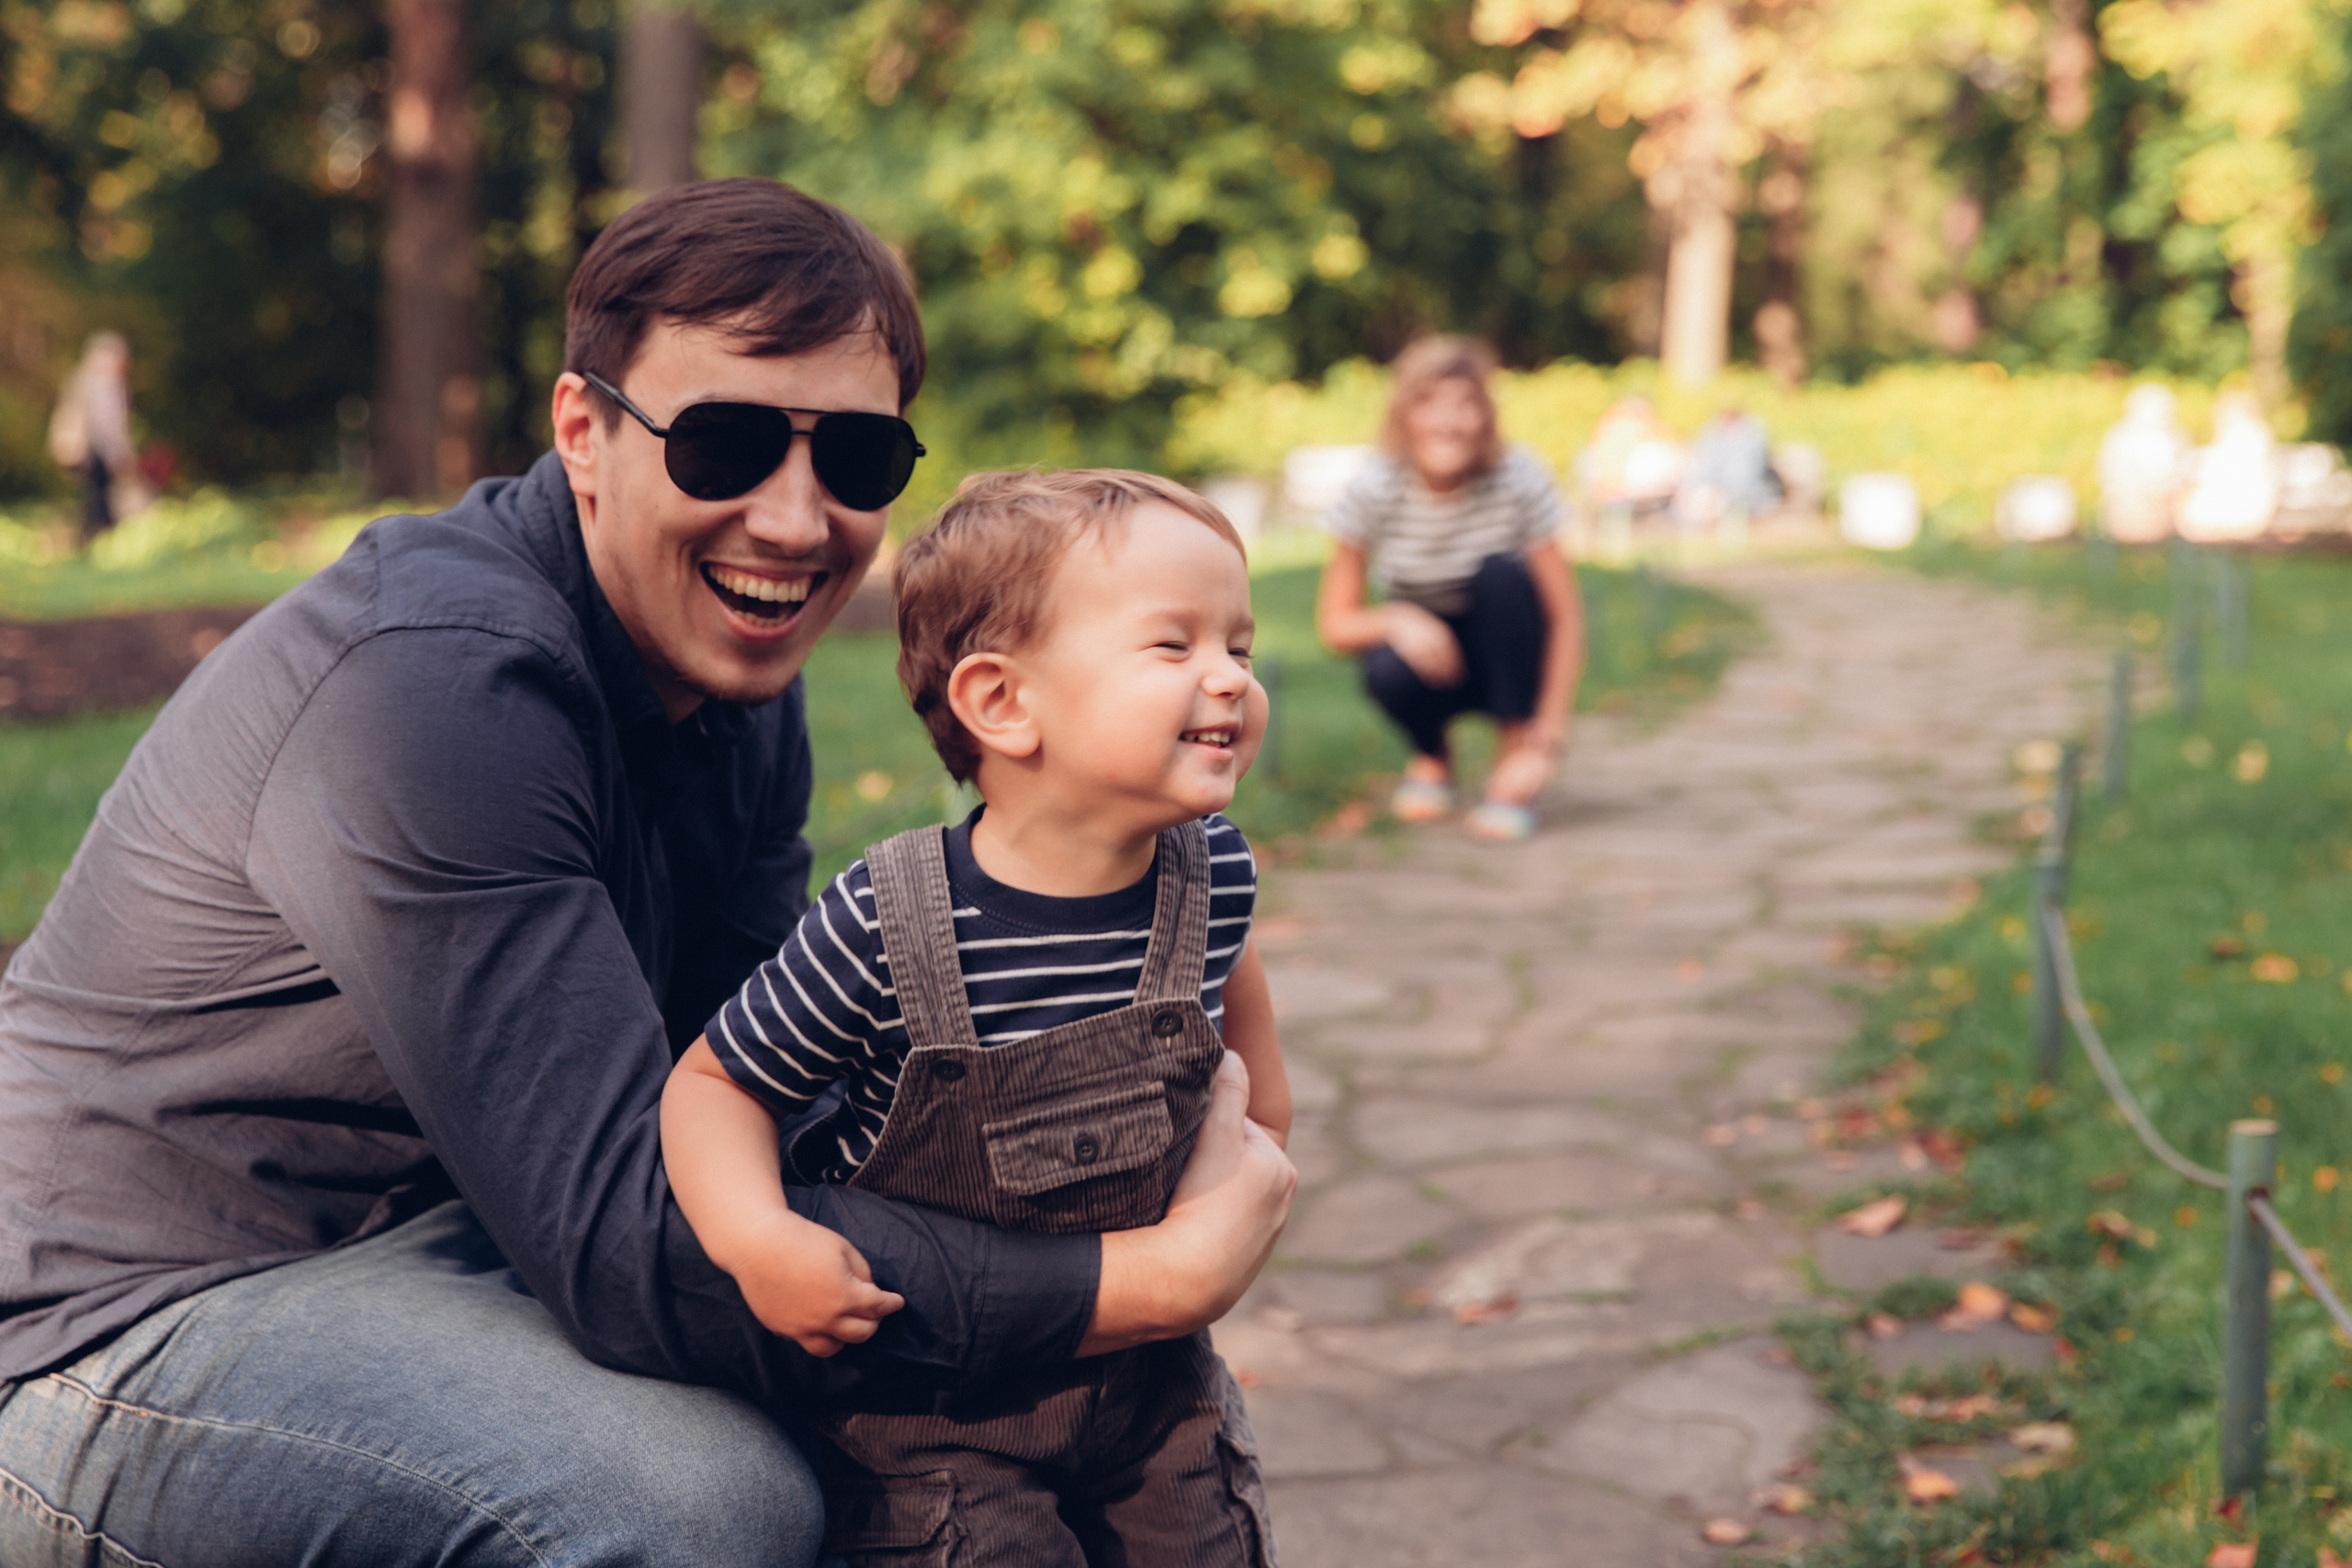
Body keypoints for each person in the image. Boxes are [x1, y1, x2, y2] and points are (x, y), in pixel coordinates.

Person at [0, 180, 1295, 1568]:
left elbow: (760, 1086)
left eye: (856, 460)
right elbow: (633, 1250)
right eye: (726, 441)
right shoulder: (426, 693)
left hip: (461, 1233)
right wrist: (1133, 1280)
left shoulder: (730, 677)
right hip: (132, 1315)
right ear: (585, 433)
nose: (796, 523)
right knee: (690, 1502)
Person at [664, 468, 1290, 1566]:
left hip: (1154, 1388)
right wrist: (757, 1239)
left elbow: (1240, 1026)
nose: (1230, 679)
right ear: (1002, 703)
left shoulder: (1212, 873)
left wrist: (1254, 1154)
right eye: (1173, 646)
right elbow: (717, 1086)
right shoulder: (886, 922)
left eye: (1237, 647)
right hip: (934, 1427)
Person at [1313, 335, 1584, 841]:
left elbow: (1565, 615)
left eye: (1465, 404)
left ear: (1486, 416)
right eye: (1429, 403)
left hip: (1506, 652)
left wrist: (1546, 735)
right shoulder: (1374, 488)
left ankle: (1514, 758)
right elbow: (1335, 625)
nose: (1448, 422)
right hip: (1430, 658)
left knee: (1502, 575)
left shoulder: (1518, 477)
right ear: (1404, 415)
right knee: (1384, 664)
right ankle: (1432, 756)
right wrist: (1397, 618)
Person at [45, 331, 141, 543]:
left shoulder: (87, 380)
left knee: (98, 496)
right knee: (98, 496)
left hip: (89, 449)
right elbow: (105, 424)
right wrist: (118, 452)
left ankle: (95, 537)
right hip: (90, 449)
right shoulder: (98, 383)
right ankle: (92, 538)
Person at [2097, 383, 2189, 543]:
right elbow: (2109, 478)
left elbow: (2182, 477)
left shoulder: (2176, 437)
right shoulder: (2120, 437)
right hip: (2129, 508)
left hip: (2162, 508)